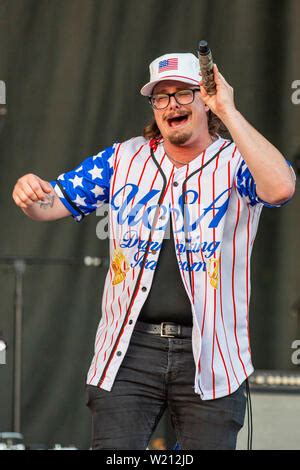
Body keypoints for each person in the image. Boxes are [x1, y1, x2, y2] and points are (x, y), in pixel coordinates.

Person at [12, 52, 296, 450]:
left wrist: (228, 111)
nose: (171, 105)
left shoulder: (236, 161)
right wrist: (27, 193)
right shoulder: (123, 158)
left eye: (183, 93)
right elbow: (49, 204)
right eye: (160, 97)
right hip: (130, 349)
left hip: (211, 351)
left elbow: (281, 188)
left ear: (205, 99)